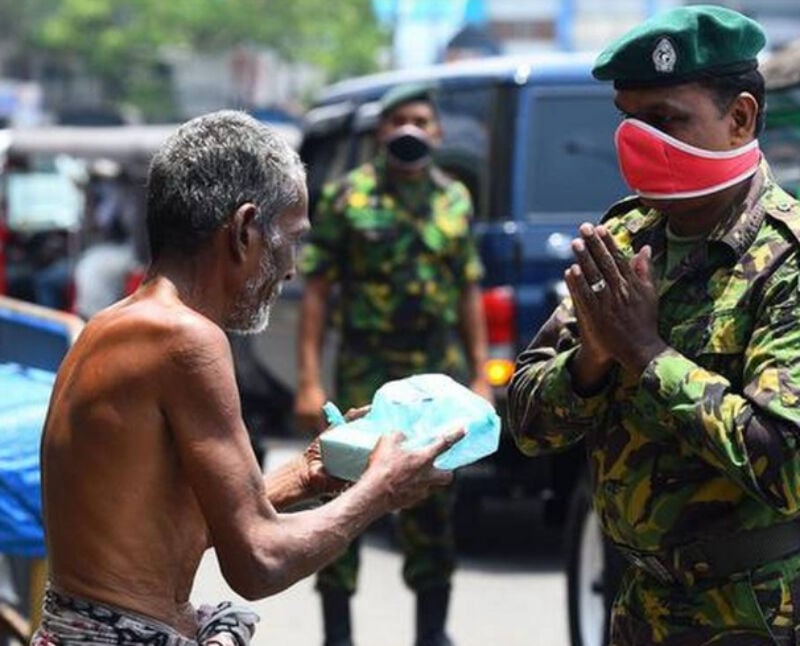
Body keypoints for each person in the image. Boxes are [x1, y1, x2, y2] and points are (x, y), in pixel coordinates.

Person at [34, 110, 465, 646]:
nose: (290, 269)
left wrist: (308, 474)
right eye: (291, 239)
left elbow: (177, 525)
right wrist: (380, 489)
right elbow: (258, 560)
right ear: (242, 230)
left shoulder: (114, 325)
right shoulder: (185, 339)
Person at [507, 5, 800, 645]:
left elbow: (788, 464)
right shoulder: (623, 239)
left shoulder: (788, 262)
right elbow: (526, 421)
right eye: (630, 121)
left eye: (666, 120)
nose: (641, 141)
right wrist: (590, 361)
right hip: (638, 604)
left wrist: (646, 354)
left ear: (740, 118)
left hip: (757, 611)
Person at [295, 83, 491, 646]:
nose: (410, 129)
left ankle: (432, 633)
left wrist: (480, 373)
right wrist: (308, 379)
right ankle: (338, 634)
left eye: (421, 120)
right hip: (367, 372)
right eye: (399, 119)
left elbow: (466, 291)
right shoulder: (345, 198)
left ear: (437, 133)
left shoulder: (454, 199)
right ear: (381, 132)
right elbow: (317, 293)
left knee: (435, 504)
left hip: (436, 376)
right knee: (345, 497)